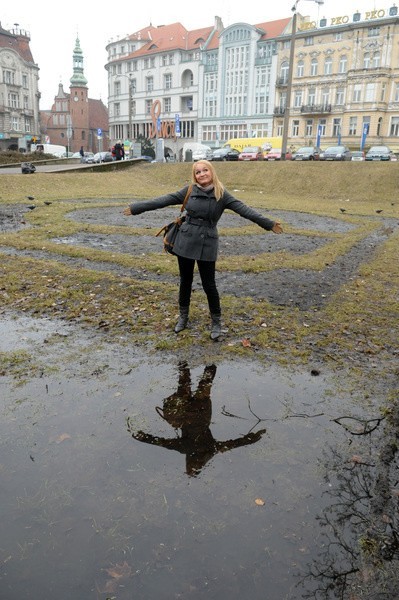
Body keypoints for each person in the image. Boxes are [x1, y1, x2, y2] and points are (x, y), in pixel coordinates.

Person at [123, 159, 283, 340]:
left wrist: (269, 224)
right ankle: (183, 318)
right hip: (186, 239)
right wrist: (136, 208)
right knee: (185, 280)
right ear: (195, 176)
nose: (202, 174)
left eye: (205, 170)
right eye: (198, 172)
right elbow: (163, 200)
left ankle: (216, 322)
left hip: (208, 241)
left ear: (211, 171)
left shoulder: (222, 194)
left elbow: (245, 211)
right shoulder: (189, 191)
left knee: (209, 284)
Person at [127, 362, 266, 477]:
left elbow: (232, 444)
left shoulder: (210, 450)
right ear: (189, 460)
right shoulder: (187, 448)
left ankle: (210, 360)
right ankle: (187, 363)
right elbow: (162, 442)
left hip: (202, 413)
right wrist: (143, 437)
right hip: (186, 414)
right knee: (185, 386)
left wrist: (250, 439)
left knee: (205, 384)